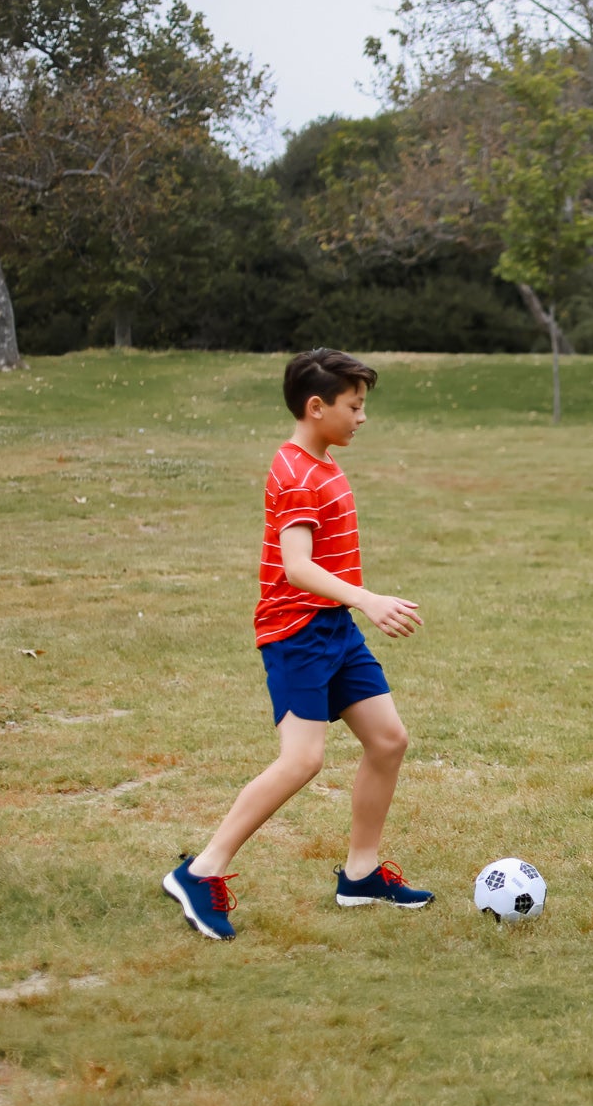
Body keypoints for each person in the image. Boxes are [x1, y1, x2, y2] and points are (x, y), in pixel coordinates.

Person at [162, 349, 432, 940]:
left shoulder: (324, 461)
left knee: (388, 740)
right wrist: (368, 598)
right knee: (303, 759)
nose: (362, 418)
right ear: (317, 407)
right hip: (298, 634)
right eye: (354, 406)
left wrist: (352, 607)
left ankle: (360, 876)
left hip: (334, 629)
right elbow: (296, 568)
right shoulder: (295, 473)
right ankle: (200, 871)